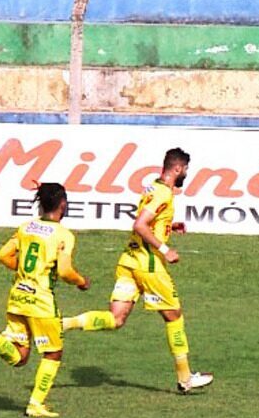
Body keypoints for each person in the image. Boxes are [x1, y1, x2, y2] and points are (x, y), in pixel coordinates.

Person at [63, 147, 213, 394]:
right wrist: (166, 250)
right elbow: (140, 224)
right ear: (177, 168)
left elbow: (149, 221)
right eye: (185, 169)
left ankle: (63, 324)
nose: (186, 173)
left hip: (129, 260)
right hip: (148, 265)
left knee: (116, 318)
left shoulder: (152, 187)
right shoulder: (163, 193)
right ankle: (185, 378)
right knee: (174, 315)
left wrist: (168, 226)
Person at [0, 182, 91, 418]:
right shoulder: (63, 235)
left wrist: (24, 272)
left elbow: (3, 255)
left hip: (18, 296)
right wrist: (81, 281)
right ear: (63, 204)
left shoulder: (26, 227)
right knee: (53, 353)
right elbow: (64, 271)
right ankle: (35, 404)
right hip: (41, 301)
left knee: (20, 356)